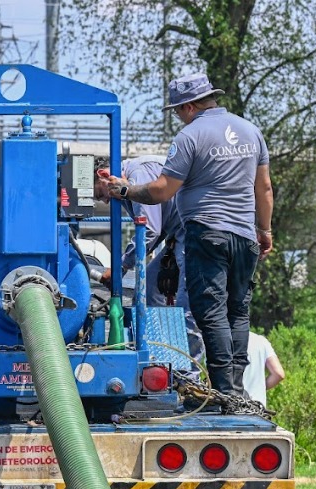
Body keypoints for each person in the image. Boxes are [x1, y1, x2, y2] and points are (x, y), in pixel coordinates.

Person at [98, 73, 273, 401]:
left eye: (178, 110)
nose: (178, 116)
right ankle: (236, 391)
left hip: (208, 233)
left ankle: (219, 391)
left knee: (210, 311)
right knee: (237, 310)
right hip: (246, 235)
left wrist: (126, 189)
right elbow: (263, 188)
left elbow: (163, 191)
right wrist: (264, 230)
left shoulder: (190, 136)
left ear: (190, 106)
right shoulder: (252, 131)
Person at [95, 155, 204, 369]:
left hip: (192, 230)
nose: (105, 201)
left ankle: (191, 374)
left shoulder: (138, 175)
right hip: (177, 232)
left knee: (186, 305)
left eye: (100, 193)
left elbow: (149, 230)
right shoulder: (127, 184)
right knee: (148, 294)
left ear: (104, 175)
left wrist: (120, 267)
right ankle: (159, 360)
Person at [244, 331, 286, 489]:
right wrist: (261, 388)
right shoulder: (261, 341)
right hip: (258, 413)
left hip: (231, 410)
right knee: (259, 470)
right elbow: (279, 373)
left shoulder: (219, 338)